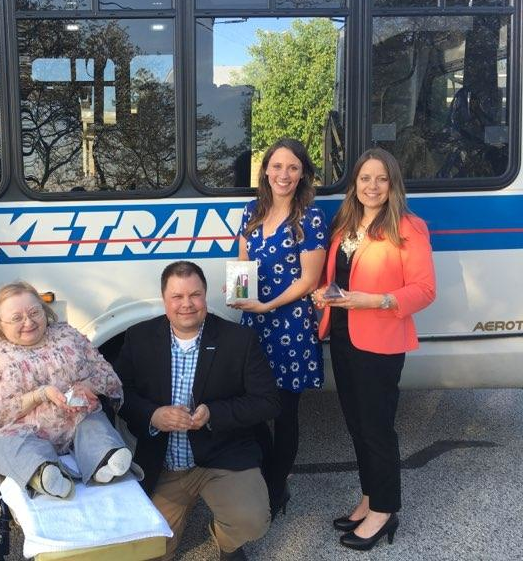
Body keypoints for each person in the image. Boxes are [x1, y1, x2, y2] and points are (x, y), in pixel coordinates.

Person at [115, 261, 280, 561]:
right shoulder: (139, 337)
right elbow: (118, 392)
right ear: (164, 300)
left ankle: (227, 541)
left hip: (221, 458)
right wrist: (153, 415)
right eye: (177, 297)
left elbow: (268, 401)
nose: (187, 304)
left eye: (195, 295)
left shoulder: (238, 340)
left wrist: (214, 413)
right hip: (165, 463)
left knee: (251, 521)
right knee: (147, 550)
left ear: (205, 296)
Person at [312, 148, 435, 551]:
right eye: (365, 178)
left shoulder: (409, 227)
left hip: (380, 343)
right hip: (344, 337)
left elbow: (423, 290)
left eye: (381, 179)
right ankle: (369, 498)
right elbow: (340, 277)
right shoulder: (344, 224)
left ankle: (385, 510)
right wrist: (325, 295)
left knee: (377, 429)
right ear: (355, 183)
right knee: (357, 425)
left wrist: (375, 300)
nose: (372, 186)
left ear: (393, 183)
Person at [0, 281, 140, 499]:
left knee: (95, 427)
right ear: (0, 323)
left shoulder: (66, 334)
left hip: (76, 420)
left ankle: (106, 460)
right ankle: (43, 474)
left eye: (35, 312)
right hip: (18, 428)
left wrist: (88, 386)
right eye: (17, 318)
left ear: (45, 311)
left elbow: (106, 373)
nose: (28, 322)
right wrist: (39, 395)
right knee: (14, 446)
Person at [228, 138, 328, 518]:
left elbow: (309, 279)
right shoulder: (252, 211)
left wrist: (267, 303)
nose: (283, 175)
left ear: (302, 174)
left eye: (292, 168)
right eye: (277, 166)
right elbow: (242, 261)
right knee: (254, 407)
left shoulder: (310, 218)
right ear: (265, 170)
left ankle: (276, 485)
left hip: (290, 325)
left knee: (285, 412)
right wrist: (237, 290)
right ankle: (268, 474)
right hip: (253, 323)